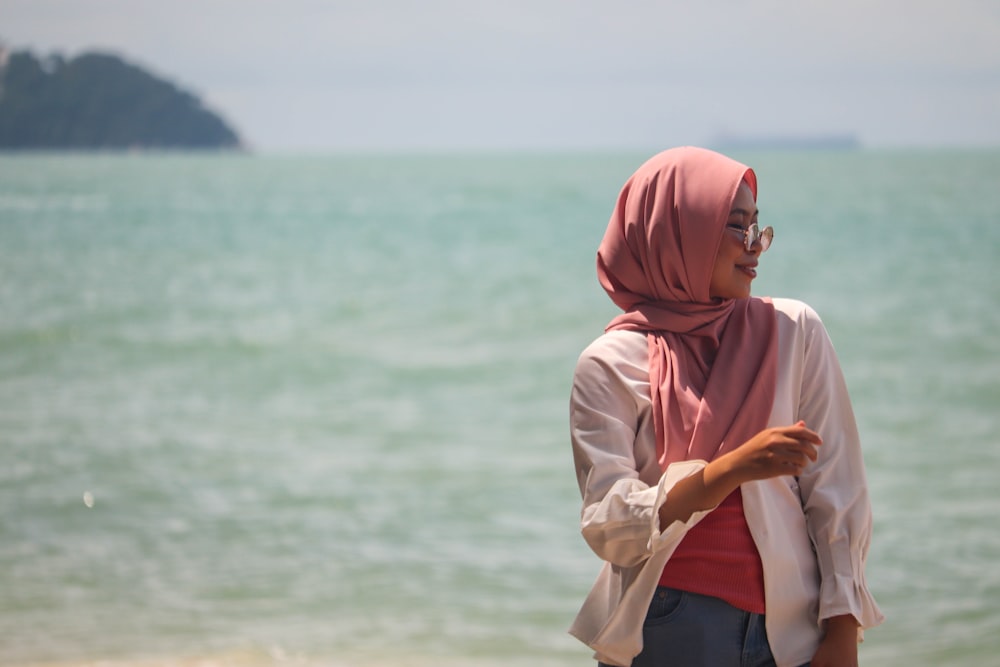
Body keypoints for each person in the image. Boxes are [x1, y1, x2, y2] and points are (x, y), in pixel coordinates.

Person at [568, 147, 883, 667]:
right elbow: (608, 524)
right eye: (735, 228)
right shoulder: (609, 364)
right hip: (666, 629)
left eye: (757, 227)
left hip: (791, 632)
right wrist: (731, 470)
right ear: (680, 232)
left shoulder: (794, 331)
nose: (755, 247)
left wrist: (844, 625)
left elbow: (838, 488)